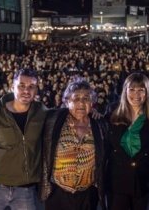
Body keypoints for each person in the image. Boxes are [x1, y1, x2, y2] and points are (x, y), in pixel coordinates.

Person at [0, 68, 47, 210]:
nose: (26, 90)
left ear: (36, 90)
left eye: (31, 87)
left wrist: (91, 111)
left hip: (26, 190)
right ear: (12, 87)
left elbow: (67, 114)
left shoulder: (42, 112)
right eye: (21, 86)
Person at [39, 77, 107, 210]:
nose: (81, 103)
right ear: (67, 101)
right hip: (57, 193)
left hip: (87, 194)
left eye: (86, 98)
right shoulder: (53, 119)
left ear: (92, 102)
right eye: (76, 98)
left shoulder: (100, 124)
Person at [104, 73, 149, 210]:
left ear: (147, 92)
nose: (136, 94)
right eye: (132, 90)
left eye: (141, 90)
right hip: (116, 181)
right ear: (125, 91)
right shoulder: (112, 111)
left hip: (143, 181)